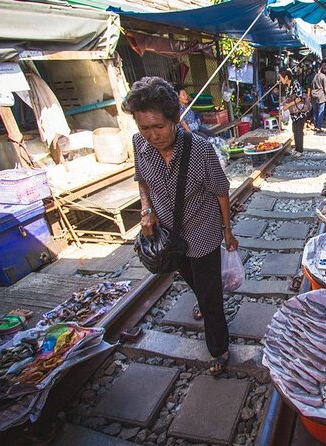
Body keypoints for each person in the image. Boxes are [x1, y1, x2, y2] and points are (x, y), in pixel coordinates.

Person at [123, 77, 238, 375]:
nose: (152, 135)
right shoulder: (140, 144)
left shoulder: (199, 149)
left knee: (210, 295)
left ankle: (219, 348)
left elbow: (220, 190)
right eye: (144, 128)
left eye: (158, 127)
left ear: (174, 119)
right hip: (168, 234)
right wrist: (146, 209)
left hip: (201, 230)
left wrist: (227, 231)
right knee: (189, 278)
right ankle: (203, 299)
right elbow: (142, 179)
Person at [280, 68, 307, 158]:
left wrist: (287, 105)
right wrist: (285, 103)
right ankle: (297, 149)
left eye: (281, 77)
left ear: (286, 77)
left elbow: (299, 98)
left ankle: (300, 150)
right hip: (294, 113)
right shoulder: (288, 86)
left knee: (298, 131)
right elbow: (290, 98)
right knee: (294, 130)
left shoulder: (295, 83)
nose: (280, 80)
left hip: (300, 111)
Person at [308, 61, 326, 132]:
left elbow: (309, 87)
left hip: (313, 95)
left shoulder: (311, 77)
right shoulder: (323, 76)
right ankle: (319, 127)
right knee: (321, 111)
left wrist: (308, 96)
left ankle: (315, 126)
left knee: (315, 111)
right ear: (320, 68)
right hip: (321, 96)